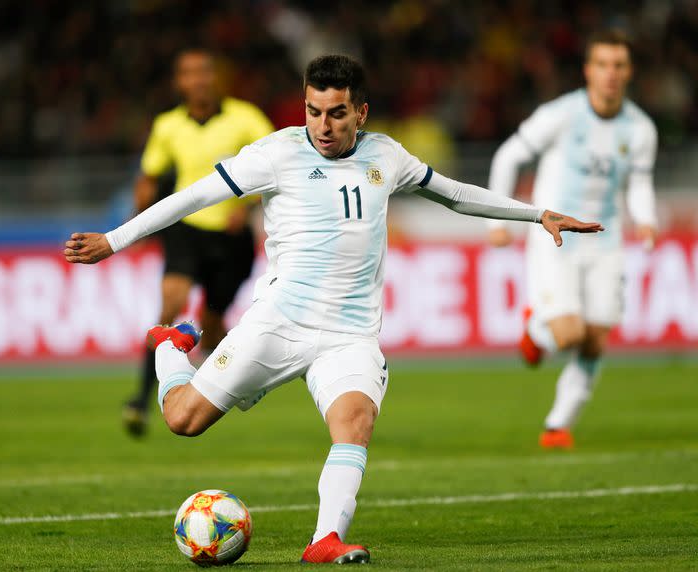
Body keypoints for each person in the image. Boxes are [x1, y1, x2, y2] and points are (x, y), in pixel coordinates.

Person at [65, 55, 601, 563]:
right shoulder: (276, 153)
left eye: (337, 113)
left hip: (350, 335)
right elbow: (192, 197)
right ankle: (169, 347)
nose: (322, 125)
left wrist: (539, 214)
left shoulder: (387, 156)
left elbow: (456, 194)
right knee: (182, 420)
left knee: (355, 421)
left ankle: (325, 538)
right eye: (313, 111)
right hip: (278, 323)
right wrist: (115, 239)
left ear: (360, 113)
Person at [487, 30, 658, 449]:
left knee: (595, 340)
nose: (610, 74)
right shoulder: (560, 115)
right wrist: (498, 220)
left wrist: (647, 219)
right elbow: (508, 155)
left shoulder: (640, 129)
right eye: (602, 65)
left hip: (606, 241)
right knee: (567, 335)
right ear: (588, 70)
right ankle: (536, 329)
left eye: (618, 66)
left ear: (628, 72)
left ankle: (558, 425)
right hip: (556, 237)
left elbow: (638, 183)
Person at [124, 48, 274, 436]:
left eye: (205, 71)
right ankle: (141, 399)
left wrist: (250, 203)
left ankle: (237, 383)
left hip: (231, 237)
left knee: (212, 322)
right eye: (190, 73)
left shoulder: (246, 118)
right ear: (180, 82)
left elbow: (280, 163)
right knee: (169, 304)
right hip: (185, 230)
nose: (199, 80)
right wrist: (138, 214)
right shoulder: (167, 126)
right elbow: (150, 175)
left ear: (215, 77)